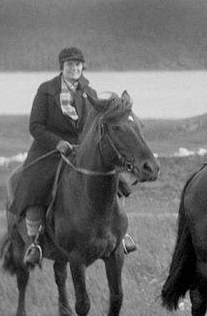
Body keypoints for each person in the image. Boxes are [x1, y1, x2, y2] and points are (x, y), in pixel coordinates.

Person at [8, 47, 136, 267]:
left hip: (82, 151)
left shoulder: (91, 92)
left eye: (78, 65)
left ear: (82, 67)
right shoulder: (46, 90)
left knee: (116, 182)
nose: (74, 68)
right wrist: (57, 142)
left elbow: (98, 125)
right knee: (35, 185)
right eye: (70, 65)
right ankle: (36, 242)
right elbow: (35, 126)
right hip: (50, 150)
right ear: (62, 67)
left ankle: (120, 234)